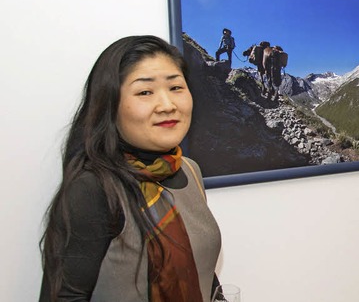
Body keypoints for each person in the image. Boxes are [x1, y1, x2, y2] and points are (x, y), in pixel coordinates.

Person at [39, 35, 222, 301]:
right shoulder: (94, 188)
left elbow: (199, 269)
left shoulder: (190, 171)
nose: (167, 105)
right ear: (110, 105)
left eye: (176, 88)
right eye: (145, 92)